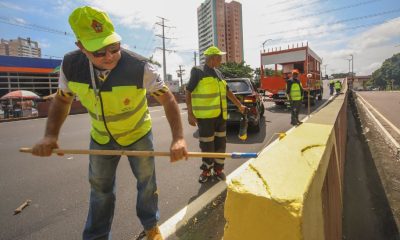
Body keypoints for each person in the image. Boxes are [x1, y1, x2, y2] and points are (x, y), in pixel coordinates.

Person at [31, 6, 188, 240]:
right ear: (81, 47)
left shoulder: (140, 66)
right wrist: (50, 136)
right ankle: (97, 236)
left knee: (146, 183)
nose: (110, 56)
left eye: (114, 47)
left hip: (138, 135)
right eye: (99, 51)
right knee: (100, 191)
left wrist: (178, 138)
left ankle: (150, 225)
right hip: (101, 138)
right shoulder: (70, 66)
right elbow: (62, 101)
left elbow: (168, 99)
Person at [186, 46, 246, 183]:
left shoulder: (218, 73)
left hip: (221, 116)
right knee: (207, 145)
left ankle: (218, 169)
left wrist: (239, 105)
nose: (221, 60)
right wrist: (190, 114)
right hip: (205, 117)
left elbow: (227, 91)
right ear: (212, 58)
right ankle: (206, 171)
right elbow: (188, 91)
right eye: (219, 57)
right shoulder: (198, 71)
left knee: (221, 143)